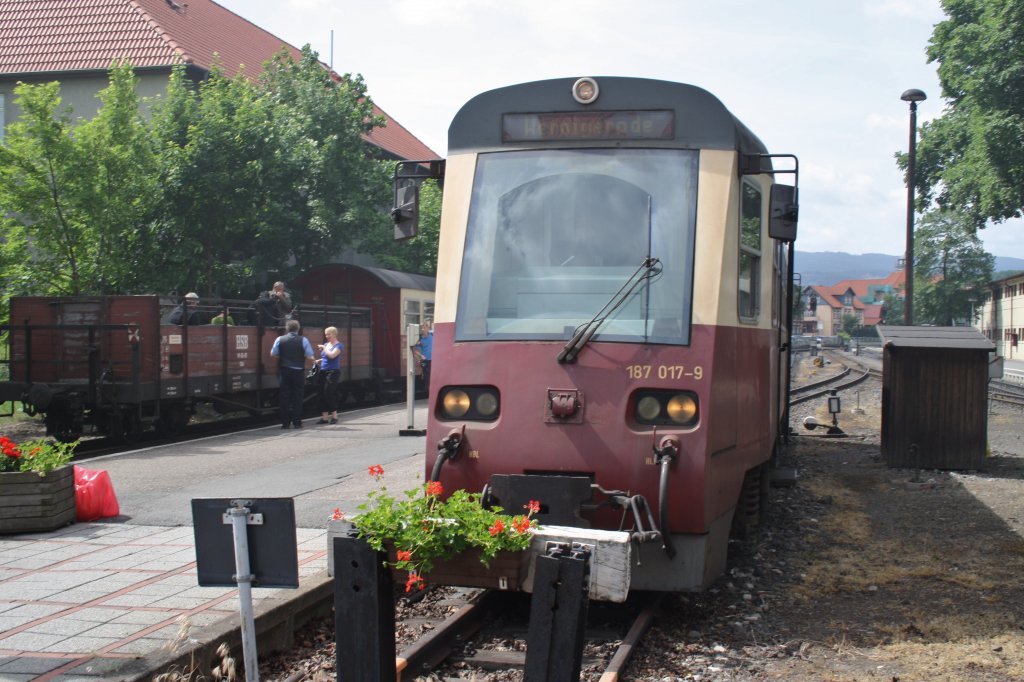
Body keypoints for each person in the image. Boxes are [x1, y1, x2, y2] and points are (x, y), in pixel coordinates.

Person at [270, 319, 314, 429]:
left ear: (287, 329)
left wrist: (284, 357)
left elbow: (273, 353)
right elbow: (309, 355)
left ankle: (285, 423)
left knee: (284, 396)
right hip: (298, 371)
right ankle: (297, 422)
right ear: (298, 329)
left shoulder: (280, 339)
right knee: (297, 397)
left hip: (285, 370)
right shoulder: (304, 340)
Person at [315, 326, 345, 424]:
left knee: (329, 392)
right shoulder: (326, 344)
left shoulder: (339, 345)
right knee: (321, 392)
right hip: (323, 371)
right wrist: (319, 360)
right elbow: (326, 357)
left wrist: (324, 348)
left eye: (329, 334)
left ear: (334, 334)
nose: (327, 336)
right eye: (326, 334)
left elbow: (332, 355)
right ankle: (324, 418)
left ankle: (335, 416)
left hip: (333, 372)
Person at [411, 322, 433, 390]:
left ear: (428, 328)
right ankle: (428, 391)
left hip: (434, 360)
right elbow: (415, 351)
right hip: (426, 361)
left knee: (433, 377)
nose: (422, 329)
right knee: (427, 377)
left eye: (424, 327)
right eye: (421, 328)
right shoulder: (420, 339)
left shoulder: (433, 335)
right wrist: (421, 356)